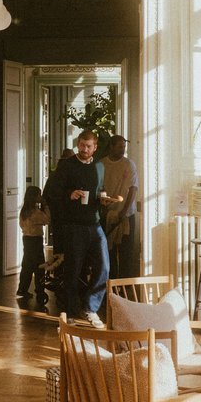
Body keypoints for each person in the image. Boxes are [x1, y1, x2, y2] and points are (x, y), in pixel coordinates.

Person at [51, 131, 113, 326]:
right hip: (74, 225)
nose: (85, 149)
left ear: (95, 147)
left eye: (89, 146)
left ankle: (90, 308)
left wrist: (104, 198)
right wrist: (70, 194)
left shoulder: (99, 166)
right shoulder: (67, 165)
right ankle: (69, 312)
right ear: (78, 144)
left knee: (104, 266)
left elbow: (100, 188)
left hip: (94, 224)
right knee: (73, 270)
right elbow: (52, 192)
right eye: (82, 145)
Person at [101, 134, 138, 279]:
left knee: (125, 251)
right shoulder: (102, 164)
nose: (123, 150)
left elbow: (133, 188)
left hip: (127, 214)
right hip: (108, 213)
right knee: (108, 250)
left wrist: (124, 210)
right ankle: (112, 282)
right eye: (120, 147)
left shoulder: (129, 164)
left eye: (124, 147)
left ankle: (125, 284)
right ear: (111, 146)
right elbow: (100, 188)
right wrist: (104, 208)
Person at [16, 185, 49, 306]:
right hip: (36, 240)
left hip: (26, 239)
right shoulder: (35, 213)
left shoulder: (24, 211)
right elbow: (47, 219)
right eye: (39, 195)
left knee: (27, 265)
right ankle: (40, 290)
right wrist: (45, 206)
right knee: (40, 265)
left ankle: (22, 289)